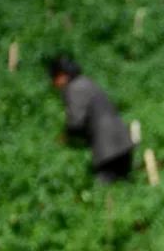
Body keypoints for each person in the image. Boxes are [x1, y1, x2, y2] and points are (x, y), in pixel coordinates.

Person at [47, 55, 134, 183]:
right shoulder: (86, 81)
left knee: (102, 189)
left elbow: (75, 122)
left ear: (61, 76)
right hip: (123, 142)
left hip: (107, 148)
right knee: (124, 183)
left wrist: (67, 137)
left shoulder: (74, 89)